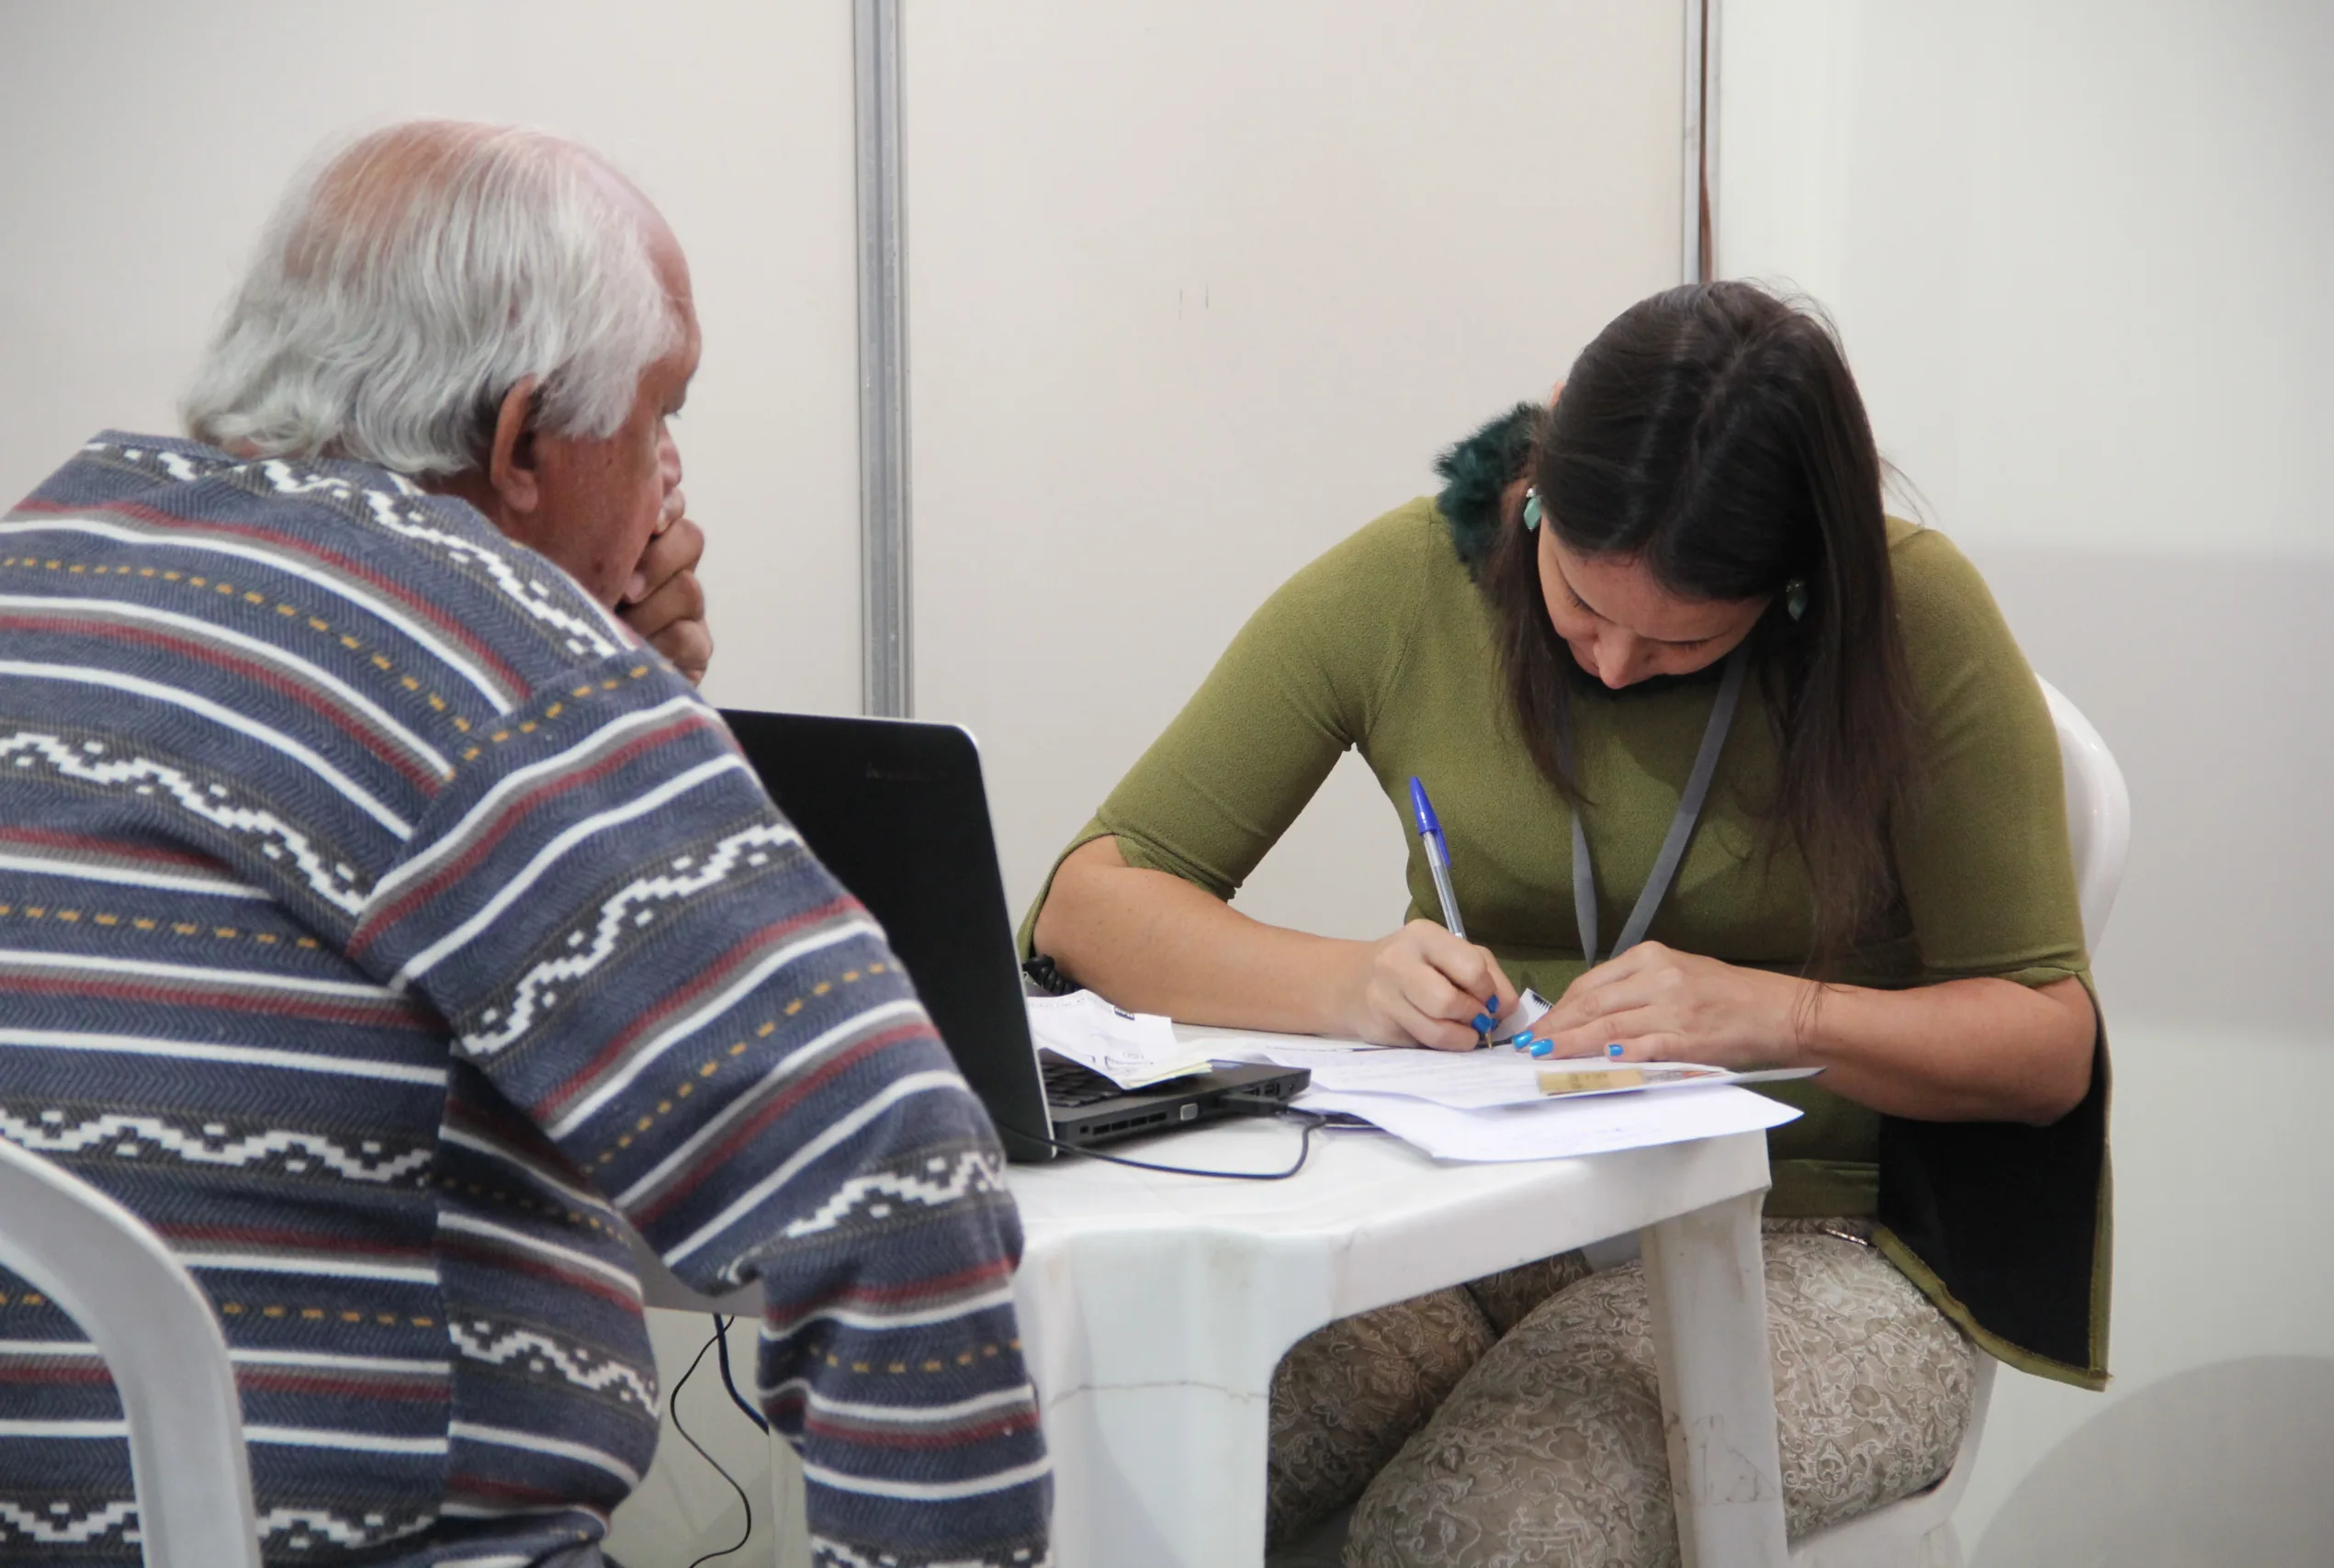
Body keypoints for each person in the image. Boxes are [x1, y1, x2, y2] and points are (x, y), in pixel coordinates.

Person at [0, 120, 1048, 1568]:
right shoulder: (487, 657)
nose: (673, 482)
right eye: (661, 415)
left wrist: (631, 699)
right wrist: (586, 684)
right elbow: (897, 1171)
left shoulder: (46, 555)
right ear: (522, 438)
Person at [1024, 281, 2110, 1564]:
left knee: (1485, 1529)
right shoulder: (1412, 583)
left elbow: (2045, 1044)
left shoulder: (1915, 629)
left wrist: (1777, 1012)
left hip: (1808, 1242)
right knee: (1112, 1470)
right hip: (1471, 1218)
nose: (1606, 664)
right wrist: (1349, 983)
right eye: (1581, 605)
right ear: (1536, 485)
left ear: (1795, 587)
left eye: (1680, 642)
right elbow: (1093, 896)